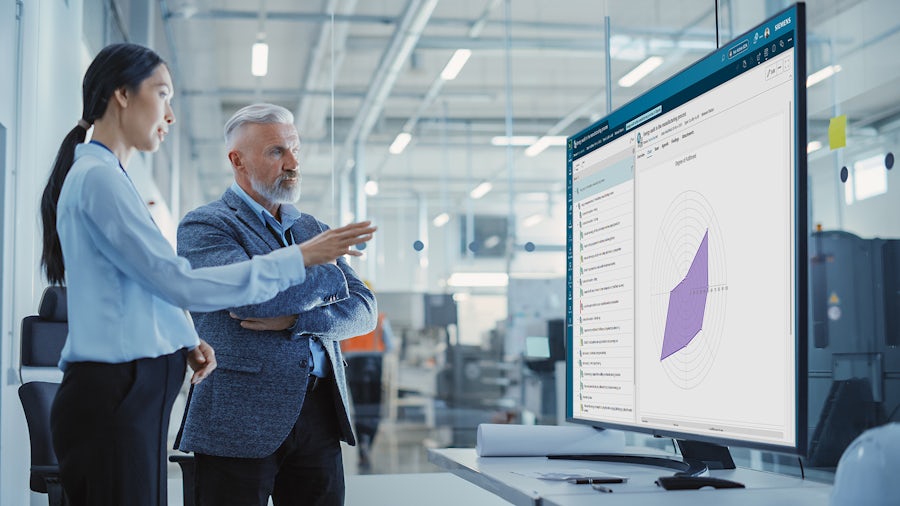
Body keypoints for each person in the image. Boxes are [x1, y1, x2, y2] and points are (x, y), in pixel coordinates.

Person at [39, 44, 374, 506]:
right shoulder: (112, 183)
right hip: (137, 393)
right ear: (122, 94)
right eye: (162, 94)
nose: (170, 115)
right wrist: (309, 262)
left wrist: (184, 335)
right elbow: (188, 285)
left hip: (146, 386)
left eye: (294, 149)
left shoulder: (111, 177)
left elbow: (149, 284)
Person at [173, 103, 377, 506]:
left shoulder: (311, 228)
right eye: (276, 152)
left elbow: (365, 309)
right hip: (238, 418)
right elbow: (251, 299)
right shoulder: (207, 224)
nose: (292, 163)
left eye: (295, 149)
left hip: (319, 412)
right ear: (238, 160)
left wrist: (299, 319)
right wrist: (326, 271)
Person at [341, 282, 396, 470]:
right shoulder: (378, 318)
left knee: (359, 408)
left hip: (351, 366)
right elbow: (390, 345)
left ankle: (362, 444)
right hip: (373, 365)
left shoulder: (346, 315)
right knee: (373, 409)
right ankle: (367, 444)